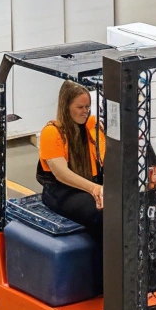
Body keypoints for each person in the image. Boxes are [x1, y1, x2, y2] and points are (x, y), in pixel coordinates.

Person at [37, 81, 106, 245]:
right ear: (66, 106)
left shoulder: (93, 126)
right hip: (63, 191)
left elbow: (106, 157)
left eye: (87, 107)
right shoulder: (52, 133)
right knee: (102, 214)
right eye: (80, 107)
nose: (85, 112)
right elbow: (62, 174)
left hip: (93, 184)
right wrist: (94, 189)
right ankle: (103, 266)